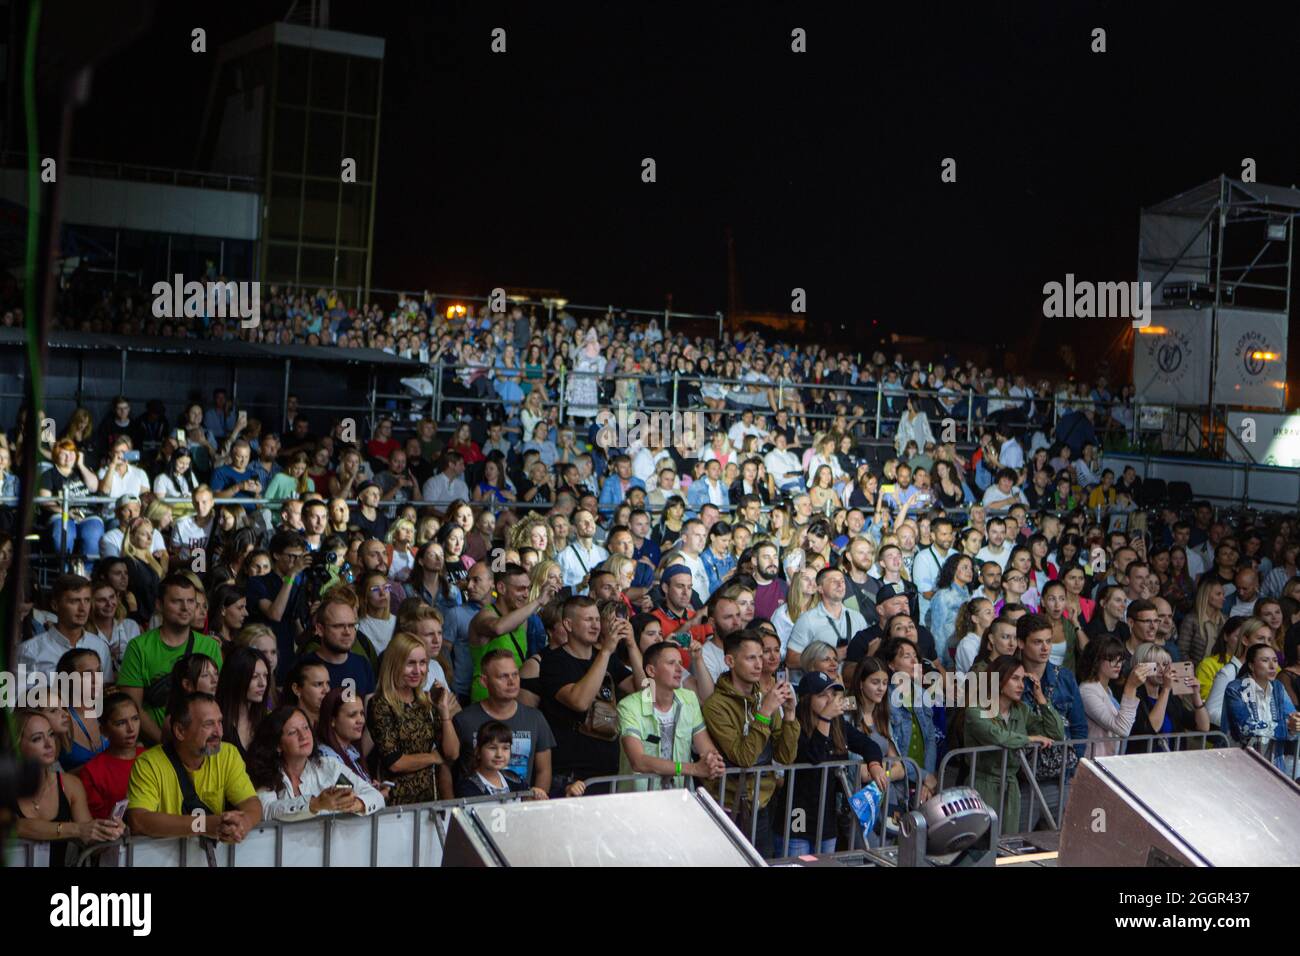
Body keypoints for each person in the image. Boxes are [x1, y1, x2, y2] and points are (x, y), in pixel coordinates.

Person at [702, 629, 799, 858]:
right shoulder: (716, 705)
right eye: (751, 658)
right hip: (727, 806)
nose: (760, 664)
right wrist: (765, 711)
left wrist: (791, 716)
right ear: (730, 661)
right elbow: (743, 758)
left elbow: (786, 757)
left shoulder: (764, 697)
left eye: (761, 656)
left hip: (762, 804)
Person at [125, 691, 263, 842]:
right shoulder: (149, 764)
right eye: (208, 724)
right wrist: (202, 825)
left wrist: (245, 822)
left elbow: (251, 803)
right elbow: (138, 820)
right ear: (180, 731)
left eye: (220, 722)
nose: (219, 732)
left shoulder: (228, 754)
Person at [538, 595, 640, 793]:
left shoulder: (609, 659)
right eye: (588, 620)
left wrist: (632, 646)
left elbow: (646, 692)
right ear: (568, 624)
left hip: (608, 770)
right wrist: (605, 651)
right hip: (570, 775)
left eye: (596, 619)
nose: (596, 626)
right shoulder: (553, 661)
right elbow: (580, 701)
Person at [787, 670, 888, 855]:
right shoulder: (795, 724)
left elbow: (868, 744)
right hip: (799, 810)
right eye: (822, 695)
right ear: (807, 699)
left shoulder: (837, 723)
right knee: (799, 860)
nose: (830, 700)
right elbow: (814, 757)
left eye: (832, 694)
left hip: (827, 812)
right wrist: (825, 718)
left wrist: (875, 765)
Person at [117, 574, 225, 744]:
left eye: (191, 602)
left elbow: (218, 697)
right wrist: (166, 744)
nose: (186, 608)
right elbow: (132, 707)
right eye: (177, 601)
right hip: (155, 746)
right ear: (159, 605)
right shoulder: (139, 647)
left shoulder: (210, 646)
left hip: (200, 743)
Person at [8, 710, 124, 865]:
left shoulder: (70, 785)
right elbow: (17, 827)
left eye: (51, 734)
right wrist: (77, 829)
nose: (49, 744)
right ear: (16, 746)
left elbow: (91, 845)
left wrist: (107, 832)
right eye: (37, 739)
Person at [964, 654, 1066, 829]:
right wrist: (1029, 739)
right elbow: (997, 736)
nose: (1021, 685)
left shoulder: (1021, 711)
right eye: (1015, 679)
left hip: (1010, 785)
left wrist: (1041, 698)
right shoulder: (976, 709)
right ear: (999, 680)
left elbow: (1055, 732)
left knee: (1007, 843)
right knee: (980, 842)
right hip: (982, 784)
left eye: (1022, 679)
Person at [617, 641, 726, 790]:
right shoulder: (629, 706)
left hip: (680, 795)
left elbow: (705, 746)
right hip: (640, 800)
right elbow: (638, 761)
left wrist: (713, 761)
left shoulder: (689, 699)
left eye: (680, 663)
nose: (680, 669)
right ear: (651, 670)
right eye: (671, 663)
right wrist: (693, 769)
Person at [367, 631, 459, 804]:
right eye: (410, 663)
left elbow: (452, 753)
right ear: (395, 664)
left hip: (431, 799)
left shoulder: (426, 700)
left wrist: (444, 711)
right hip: (397, 803)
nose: (418, 670)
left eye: (423, 663)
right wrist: (433, 757)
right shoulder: (380, 704)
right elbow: (395, 762)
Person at [247, 706, 384, 821]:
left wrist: (354, 804)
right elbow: (267, 811)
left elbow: (375, 796)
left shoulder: (330, 768)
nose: (303, 736)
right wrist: (314, 804)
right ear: (277, 745)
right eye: (293, 732)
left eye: (306, 728)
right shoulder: (265, 773)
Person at [453, 649, 556, 794]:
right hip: (473, 806)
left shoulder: (536, 718)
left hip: (521, 808)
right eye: (503, 676)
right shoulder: (464, 719)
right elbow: (446, 766)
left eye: (515, 674)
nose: (512, 681)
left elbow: (543, 770)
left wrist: (535, 805)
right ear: (484, 681)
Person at [469, 564, 558, 702]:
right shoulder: (484, 615)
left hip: (513, 696)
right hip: (486, 699)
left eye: (527, 589)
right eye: (520, 589)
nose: (526, 594)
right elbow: (498, 628)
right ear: (501, 588)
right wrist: (538, 601)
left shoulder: (523, 619)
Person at [17, 574, 114, 683]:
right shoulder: (30, 651)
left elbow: (106, 693)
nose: (83, 608)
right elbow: (19, 696)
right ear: (55, 605)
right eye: (74, 601)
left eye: (87, 600)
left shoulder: (100, 646)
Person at [1223, 642, 1300, 773]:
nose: (1272, 666)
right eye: (1265, 660)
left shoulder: (1278, 687)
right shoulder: (1235, 688)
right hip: (1239, 765)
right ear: (1251, 665)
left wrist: (1295, 724)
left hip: (1273, 764)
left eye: (1275, 661)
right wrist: (1286, 726)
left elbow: (1291, 717)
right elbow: (1245, 727)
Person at [1125, 642, 1210, 753]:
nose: (1161, 669)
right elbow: (1151, 729)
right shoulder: (1134, 695)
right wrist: (1166, 689)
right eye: (1155, 665)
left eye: (1165, 664)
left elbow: (1203, 727)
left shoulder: (1170, 698)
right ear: (1141, 666)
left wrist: (1196, 695)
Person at [297, 586, 377, 700]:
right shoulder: (303, 668)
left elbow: (368, 712)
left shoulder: (363, 664)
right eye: (338, 626)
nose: (347, 632)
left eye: (352, 625)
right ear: (320, 629)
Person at [1076, 636, 1148, 757]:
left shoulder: (1107, 689)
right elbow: (1122, 729)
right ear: (1096, 660)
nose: (1118, 664)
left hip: (1108, 759)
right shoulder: (1087, 690)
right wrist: (1131, 687)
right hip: (1094, 761)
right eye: (1111, 658)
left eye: (1120, 659)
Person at [79, 693, 146, 820]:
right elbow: (98, 822)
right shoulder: (93, 772)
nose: (131, 728)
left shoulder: (150, 757)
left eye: (135, 719)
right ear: (103, 730)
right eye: (121, 723)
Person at [1204, 618, 1271, 728]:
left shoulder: (1266, 673)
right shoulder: (1229, 672)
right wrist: (1245, 723)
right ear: (1245, 640)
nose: (1266, 644)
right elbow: (1210, 712)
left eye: (1269, 640)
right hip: (1233, 742)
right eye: (1260, 639)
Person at [454, 720, 542, 798]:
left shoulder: (513, 778)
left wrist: (533, 793)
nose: (499, 755)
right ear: (478, 752)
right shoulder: (468, 786)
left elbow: (525, 803)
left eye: (505, 748)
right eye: (492, 748)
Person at [215, 645, 272, 758]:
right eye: (254, 677)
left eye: (265, 676)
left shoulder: (267, 720)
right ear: (236, 678)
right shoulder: (217, 721)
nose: (263, 683)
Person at [1178, 577, 1226, 665]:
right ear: (1206, 595)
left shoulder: (1225, 621)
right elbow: (1182, 651)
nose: (1223, 598)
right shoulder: (1191, 620)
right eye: (1218, 594)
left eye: (1223, 594)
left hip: (1219, 672)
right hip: (1195, 673)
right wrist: (1194, 671)